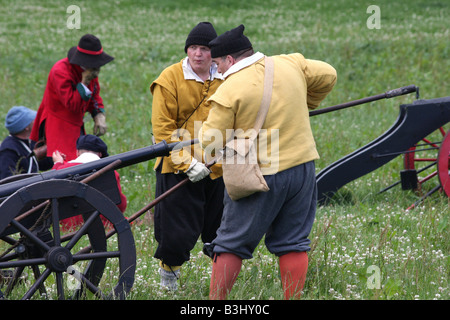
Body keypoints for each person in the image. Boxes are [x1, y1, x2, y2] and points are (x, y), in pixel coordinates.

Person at [199, 24, 337, 300]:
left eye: (217, 64)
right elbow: (329, 75)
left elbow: (209, 142)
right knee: (293, 242)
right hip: (302, 168)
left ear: (229, 59)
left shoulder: (229, 91)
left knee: (230, 243)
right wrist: (307, 102)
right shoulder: (290, 63)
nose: (217, 71)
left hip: (258, 173)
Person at [149, 22, 225, 291]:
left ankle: (221, 288)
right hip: (179, 168)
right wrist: (187, 162)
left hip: (219, 167)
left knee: (222, 233)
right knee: (175, 234)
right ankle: (168, 285)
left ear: (213, 52)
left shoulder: (226, 77)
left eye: (205, 48)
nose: (198, 54)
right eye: (193, 47)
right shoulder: (169, 79)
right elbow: (163, 129)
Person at [30, 34, 114, 162]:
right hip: (59, 126)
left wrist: (98, 114)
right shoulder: (60, 71)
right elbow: (72, 105)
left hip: (76, 124)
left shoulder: (90, 70)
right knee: (65, 165)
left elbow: (94, 94)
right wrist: (84, 82)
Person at [52, 134, 127, 230]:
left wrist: (57, 164)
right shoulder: (112, 173)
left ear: (77, 152)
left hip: (71, 226)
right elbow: (120, 205)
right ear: (100, 154)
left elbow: (54, 187)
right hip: (102, 225)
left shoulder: (62, 170)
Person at [0, 106, 52, 180]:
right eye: (34, 119)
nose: (37, 120)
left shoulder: (30, 142)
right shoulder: (9, 149)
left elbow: (43, 165)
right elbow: (7, 180)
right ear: (26, 127)